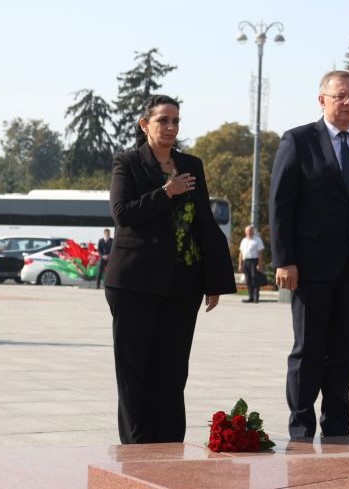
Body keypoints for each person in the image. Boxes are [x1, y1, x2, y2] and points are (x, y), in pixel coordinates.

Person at [270, 71, 349, 439]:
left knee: (346, 349)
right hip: (311, 267)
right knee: (308, 349)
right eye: (340, 96)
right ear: (322, 100)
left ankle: (337, 424)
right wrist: (284, 259)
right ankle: (300, 423)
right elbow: (281, 205)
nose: (348, 103)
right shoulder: (297, 141)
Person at [104, 94, 236, 444]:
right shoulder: (128, 163)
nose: (171, 127)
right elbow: (123, 214)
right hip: (134, 283)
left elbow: (204, 223)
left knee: (172, 370)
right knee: (135, 371)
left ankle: (169, 444)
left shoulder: (191, 164)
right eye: (163, 120)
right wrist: (166, 192)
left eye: (176, 121)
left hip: (183, 285)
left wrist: (214, 279)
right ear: (145, 124)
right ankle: (136, 445)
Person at [238, 225, 265, 303]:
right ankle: (250, 297)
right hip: (246, 261)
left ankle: (256, 298)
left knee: (255, 279)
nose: (249, 232)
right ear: (245, 232)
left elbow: (260, 252)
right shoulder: (243, 240)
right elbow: (241, 253)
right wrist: (240, 264)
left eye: (250, 230)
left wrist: (259, 264)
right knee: (248, 280)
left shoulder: (257, 240)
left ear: (253, 231)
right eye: (247, 231)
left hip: (254, 261)